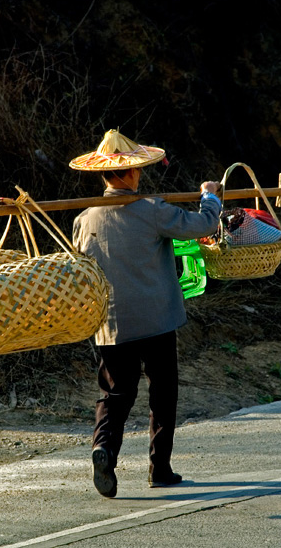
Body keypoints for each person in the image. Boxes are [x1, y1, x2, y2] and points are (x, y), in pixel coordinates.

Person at [69, 129, 221, 498]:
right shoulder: (152, 211)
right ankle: (160, 468)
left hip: (112, 323)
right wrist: (210, 197)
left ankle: (103, 447)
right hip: (156, 319)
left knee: (116, 393)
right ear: (130, 173)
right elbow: (204, 225)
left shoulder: (85, 219)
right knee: (163, 393)